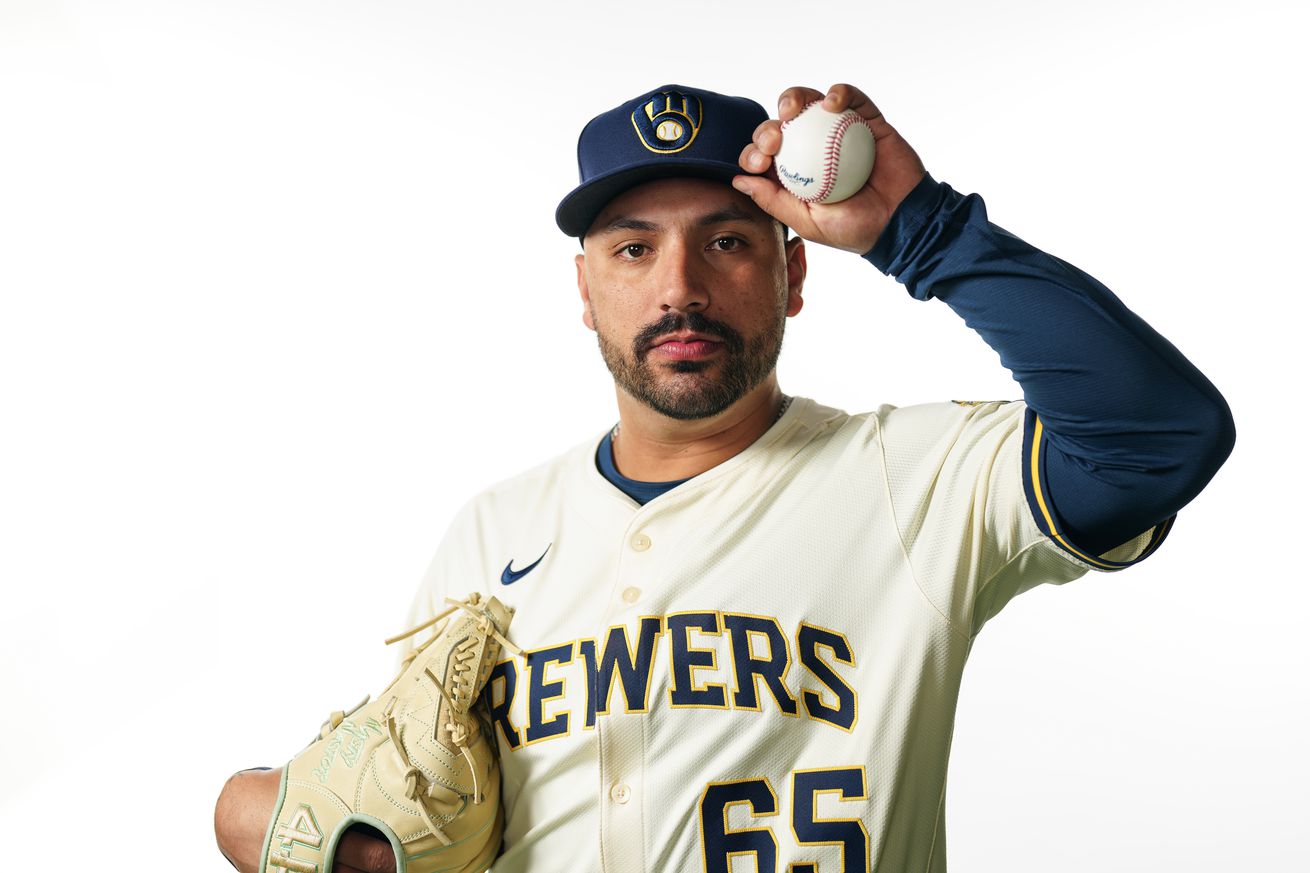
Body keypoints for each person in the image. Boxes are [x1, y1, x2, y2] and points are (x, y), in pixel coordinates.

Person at [214, 82, 1235, 873]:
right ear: (584, 290)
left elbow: (1156, 438)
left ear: (793, 276)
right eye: (631, 249)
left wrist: (919, 229)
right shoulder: (492, 529)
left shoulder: (913, 481)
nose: (678, 289)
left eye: (728, 241)